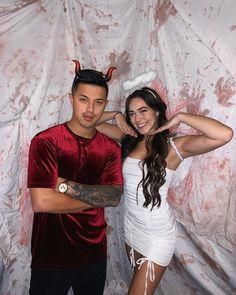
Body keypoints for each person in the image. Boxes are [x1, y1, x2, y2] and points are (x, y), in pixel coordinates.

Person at [60, 86, 234, 295]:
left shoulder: (174, 147)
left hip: (157, 235)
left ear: (157, 111)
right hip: (131, 228)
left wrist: (181, 117)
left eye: (143, 111)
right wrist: (117, 115)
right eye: (132, 113)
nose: (137, 119)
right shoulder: (129, 139)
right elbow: (90, 120)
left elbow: (224, 134)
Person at [27, 60, 124, 295]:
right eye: (83, 100)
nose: (90, 109)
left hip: (94, 256)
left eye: (98, 102)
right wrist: (98, 196)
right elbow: (42, 202)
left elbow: (114, 197)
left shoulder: (110, 149)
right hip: (51, 256)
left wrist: (64, 186)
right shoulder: (46, 141)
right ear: (71, 99)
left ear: (105, 105)